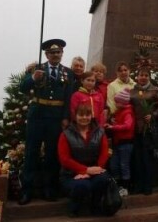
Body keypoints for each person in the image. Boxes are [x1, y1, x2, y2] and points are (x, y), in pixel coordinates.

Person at [19, 38, 75, 205]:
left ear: (62, 54)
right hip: (37, 116)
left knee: (52, 155)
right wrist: (33, 79)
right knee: (31, 153)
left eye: (58, 52)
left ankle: (49, 189)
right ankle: (26, 190)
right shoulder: (37, 69)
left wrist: (65, 117)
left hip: (56, 118)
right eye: (52, 52)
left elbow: (69, 96)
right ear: (46, 54)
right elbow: (22, 87)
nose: (55, 55)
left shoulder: (68, 73)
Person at [58, 104, 110, 217]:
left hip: (94, 171)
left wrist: (95, 169)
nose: (84, 118)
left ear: (91, 116)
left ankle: (95, 206)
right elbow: (64, 159)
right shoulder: (65, 134)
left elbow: (104, 153)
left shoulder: (100, 132)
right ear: (75, 116)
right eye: (81, 115)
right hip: (71, 174)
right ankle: (74, 207)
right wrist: (84, 170)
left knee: (103, 179)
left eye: (87, 115)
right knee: (82, 185)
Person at [130, 67, 158, 195]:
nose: (143, 77)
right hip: (135, 129)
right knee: (137, 159)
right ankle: (138, 185)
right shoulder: (132, 91)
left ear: (149, 77)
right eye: (141, 75)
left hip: (148, 130)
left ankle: (148, 185)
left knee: (147, 158)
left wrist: (153, 115)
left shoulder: (154, 91)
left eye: (145, 75)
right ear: (137, 77)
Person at [105, 89, 135, 196]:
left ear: (123, 102)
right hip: (118, 142)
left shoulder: (127, 112)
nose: (116, 104)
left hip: (125, 143)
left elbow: (128, 126)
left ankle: (125, 187)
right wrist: (114, 122)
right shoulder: (119, 112)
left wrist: (113, 127)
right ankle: (117, 185)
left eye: (118, 102)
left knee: (124, 165)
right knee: (114, 164)